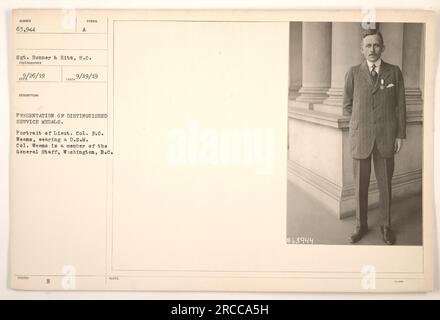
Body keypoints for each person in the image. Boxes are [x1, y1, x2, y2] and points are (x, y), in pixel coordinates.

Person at [343, 28, 406, 245]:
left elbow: (400, 107)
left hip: (386, 137)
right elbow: (347, 105)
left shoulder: (394, 72)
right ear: (362, 49)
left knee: (385, 185)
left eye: (376, 45)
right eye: (368, 45)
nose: (372, 49)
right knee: (360, 185)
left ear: (383, 47)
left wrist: (399, 135)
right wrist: (359, 126)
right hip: (361, 138)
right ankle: (361, 225)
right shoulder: (353, 73)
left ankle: (386, 226)